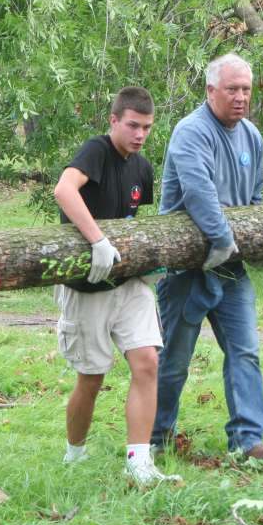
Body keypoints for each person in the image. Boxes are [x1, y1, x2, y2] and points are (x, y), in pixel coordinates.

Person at [152, 53, 263, 463]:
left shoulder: (252, 136)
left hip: (230, 270)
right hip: (187, 269)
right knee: (174, 360)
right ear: (211, 90)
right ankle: (155, 439)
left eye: (245, 89)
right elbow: (198, 194)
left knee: (245, 351)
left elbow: (253, 201)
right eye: (232, 89)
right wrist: (224, 239)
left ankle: (248, 442)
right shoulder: (191, 132)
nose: (241, 97)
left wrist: (259, 246)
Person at [53, 86, 179, 485]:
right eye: (132, 125)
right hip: (85, 288)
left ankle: (139, 463)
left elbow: (134, 222)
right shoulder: (96, 151)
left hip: (128, 285)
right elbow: (63, 190)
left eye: (146, 127)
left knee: (147, 362)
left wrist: (146, 263)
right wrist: (97, 240)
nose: (139, 134)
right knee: (91, 379)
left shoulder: (141, 167)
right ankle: (75, 453)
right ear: (114, 121)